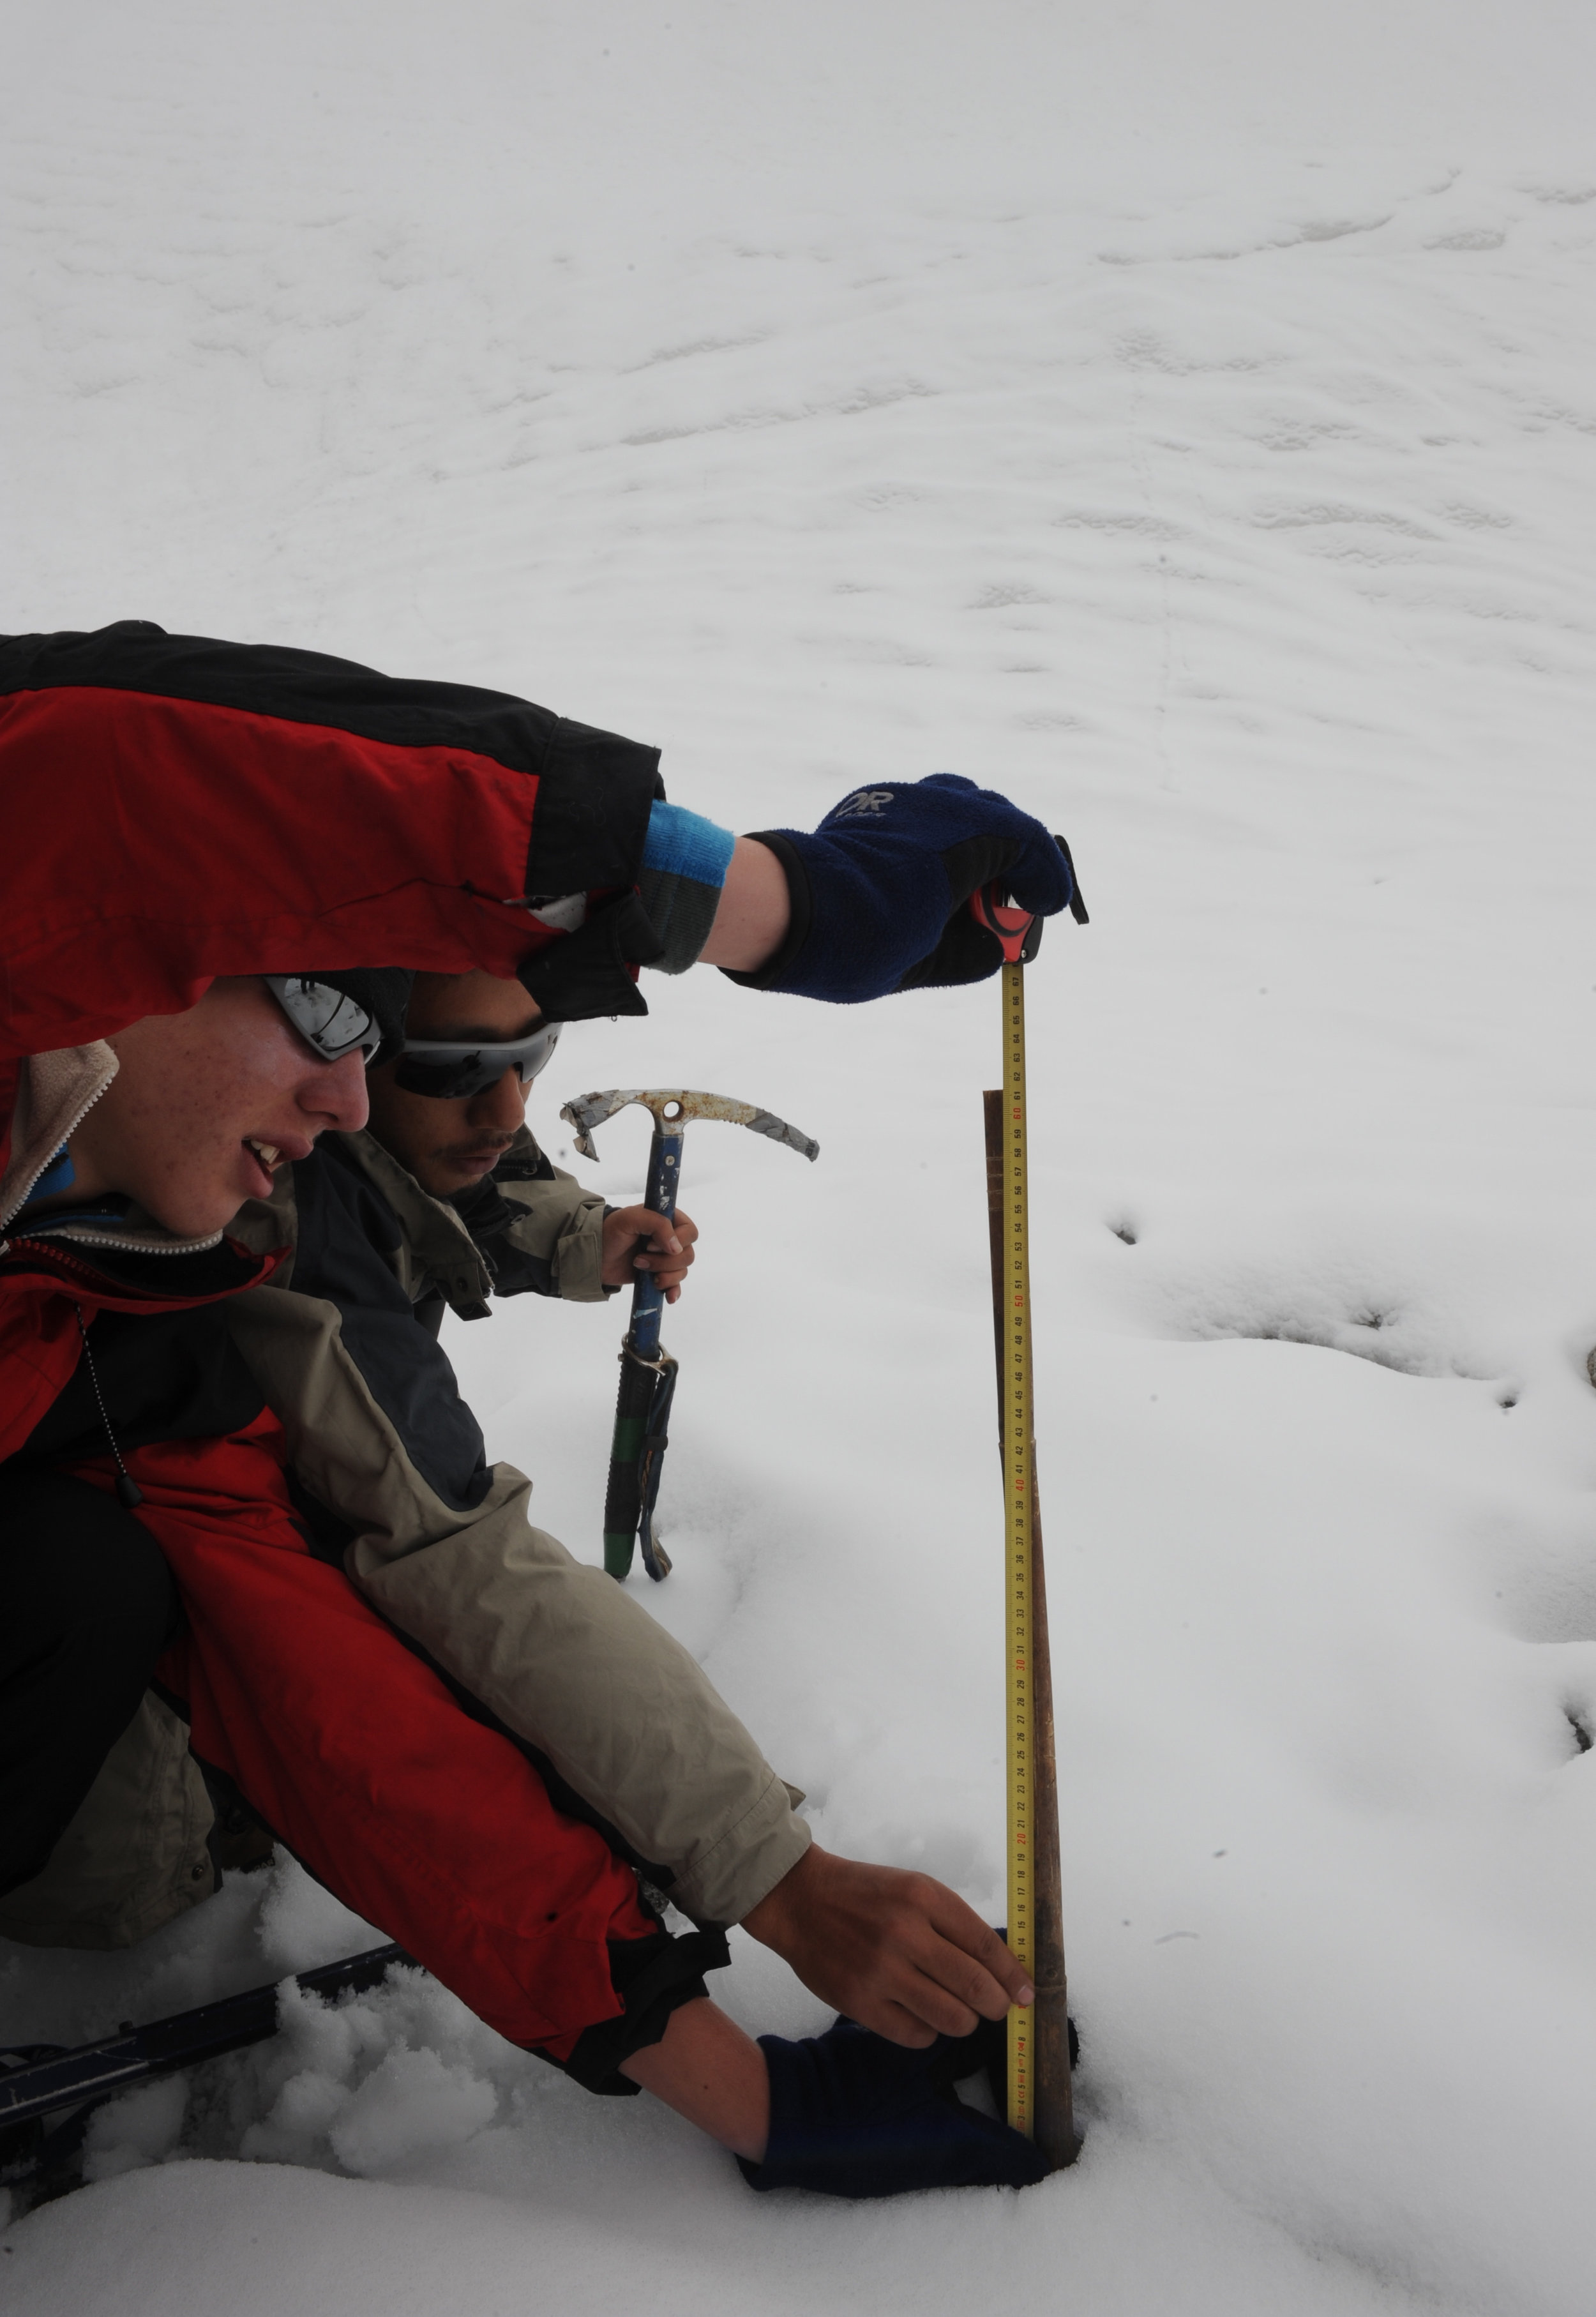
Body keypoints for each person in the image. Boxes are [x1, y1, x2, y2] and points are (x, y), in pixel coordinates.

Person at [0, 621, 1081, 2192]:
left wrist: (734, 2082)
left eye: (524, 1059)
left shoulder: (126, 1294)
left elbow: (303, 1666)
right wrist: (768, 907)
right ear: (136, 951)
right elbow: (104, 776)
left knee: (100, 1579)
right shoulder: (266, 1242)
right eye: (336, 1022)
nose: (356, 1098)